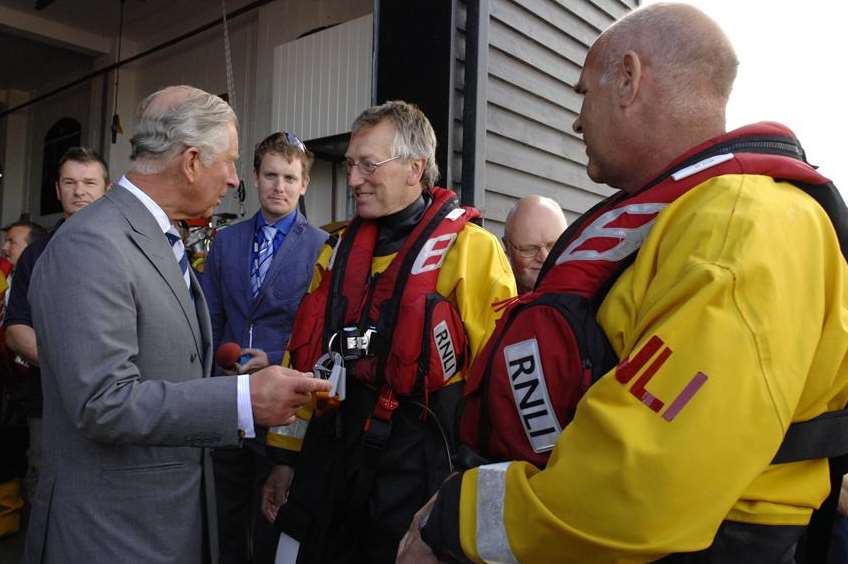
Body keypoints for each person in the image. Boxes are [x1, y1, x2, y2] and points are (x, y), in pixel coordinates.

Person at [398, 4, 848, 562]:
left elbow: (650, 475)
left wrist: (458, 521)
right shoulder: (686, 219)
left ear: (629, 80)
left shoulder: (742, 226)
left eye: (584, 93)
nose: (576, 120)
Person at [23, 85, 331, 564]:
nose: (234, 180)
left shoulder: (156, 235)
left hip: (162, 523)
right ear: (190, 162)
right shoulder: (92, 245)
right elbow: (103, 403)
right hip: (113, 534)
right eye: (228, 162)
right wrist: (243, 400)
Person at [261, 100, 516, 563]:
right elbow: (303, 360)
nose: (353, 179)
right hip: (332, 459)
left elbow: (500, 386)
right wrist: (284, 458)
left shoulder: (471, 252)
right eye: (351, 165)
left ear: (415, 168)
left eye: (368, 165)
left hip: (418, 473)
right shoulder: (336, 252)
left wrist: (469, 495)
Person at [201, 130, 327, 564]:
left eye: (290, 178)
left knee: (274, 517)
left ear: (304, 184)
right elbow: (210, 318)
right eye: (271, 175)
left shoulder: (323, 249)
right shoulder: (226, 242)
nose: (279, 186)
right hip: (227, 399)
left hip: (286, 407)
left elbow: (320, 332)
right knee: (223, 517)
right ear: (255, 177)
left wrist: (273, 360)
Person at [5, 147, 111, 506]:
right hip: (47, 401)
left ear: (106, 189)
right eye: (70, 182)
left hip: (115, 401)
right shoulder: (36, 255)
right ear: (57, 191)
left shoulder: (127, 249)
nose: (79, 191)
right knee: (46, 488)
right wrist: (66, 366)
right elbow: (16, 328)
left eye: (89, 182)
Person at [502, 195, 567, 293]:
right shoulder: (490, 299)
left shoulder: (590, 300)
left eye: (554, 246)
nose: (545, 258)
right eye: (530, 249)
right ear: (507, 248)